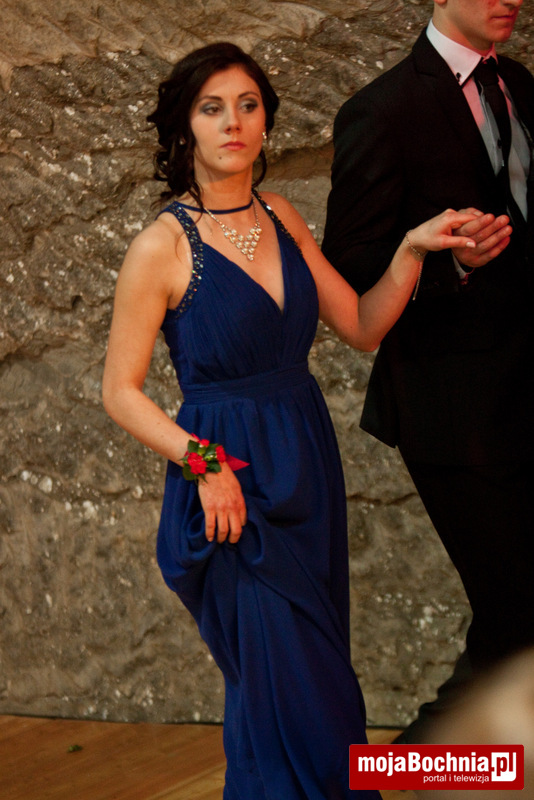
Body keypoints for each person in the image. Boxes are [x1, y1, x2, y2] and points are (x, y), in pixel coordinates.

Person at [102, 42, 477, 799]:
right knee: (291, 693)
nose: (233, 122)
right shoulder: (161, 245)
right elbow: (120, 391)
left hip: (306, 471)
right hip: (229, 487)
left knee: (317, 682)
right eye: (213, 108)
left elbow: (363, 326)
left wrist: (411, 250)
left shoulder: (282, 216)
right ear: (185, 128)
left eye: (248, 105)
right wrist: (205, 465)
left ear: (266, 121)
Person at [322, 0, 534, 744]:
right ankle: (417, 764)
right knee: (517, 617)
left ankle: (426, 768)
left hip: (527, 393)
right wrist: (452, 265)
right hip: (453, 410)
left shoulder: (521, 86)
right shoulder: (380, 111)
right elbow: (348, 271)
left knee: (514, 620)